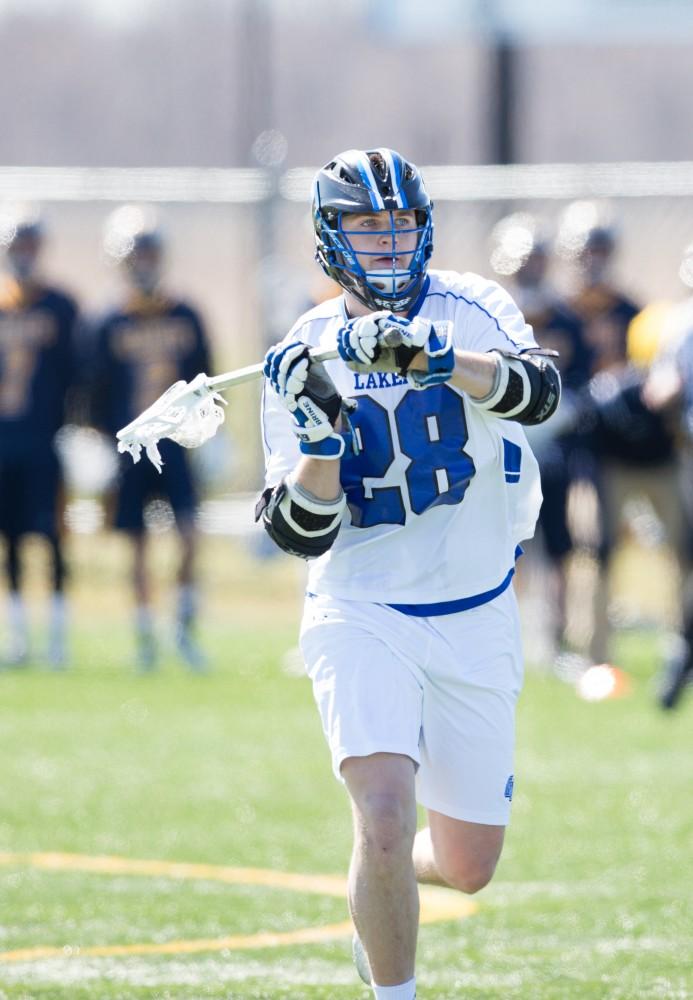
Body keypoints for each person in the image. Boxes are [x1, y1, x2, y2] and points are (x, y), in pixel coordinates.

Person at [257, 148, 560, 998]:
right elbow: (297, 530)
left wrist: (436, 360)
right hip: (362, 609)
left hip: (475, 606)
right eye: (366, 225)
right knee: (383, 816)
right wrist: (318, 443)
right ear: (330, 237)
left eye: (400, 224)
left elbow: (540, 395)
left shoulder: (472, 306)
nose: (388, 243)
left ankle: (375, 889)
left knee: (467, 864)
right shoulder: (302, 349)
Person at [90, 205, 213, 671]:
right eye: (135, 254)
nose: (143, 263)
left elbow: (208, 378)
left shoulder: (185, 313)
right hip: (130, 449)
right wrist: (98, 441)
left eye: (150, 253)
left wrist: (210, 433)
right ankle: (145, 636)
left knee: (189, 536)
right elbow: (93, 391)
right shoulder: (106, 320)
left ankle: (183, 629)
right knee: (136, 544)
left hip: (178, 445)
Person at [489, 212, 592, 664]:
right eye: (521, 262)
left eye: (536, 261)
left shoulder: (565, 317)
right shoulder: (488, 312)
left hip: (552, 445)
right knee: (499, 541)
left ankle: (557, 634)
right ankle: (502, 631)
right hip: (499, 443)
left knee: (557, 540)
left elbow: (584, 380)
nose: (529, 270)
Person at [0, 204, 78, 667]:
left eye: (29, 245)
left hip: (45, 441)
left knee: (52, 536)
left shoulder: (60, 307)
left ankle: (56, 636)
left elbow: (78, 376)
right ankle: (19, 635)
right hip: (4, 442)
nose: (23, 255)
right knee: (9, 540)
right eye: (16, 246)